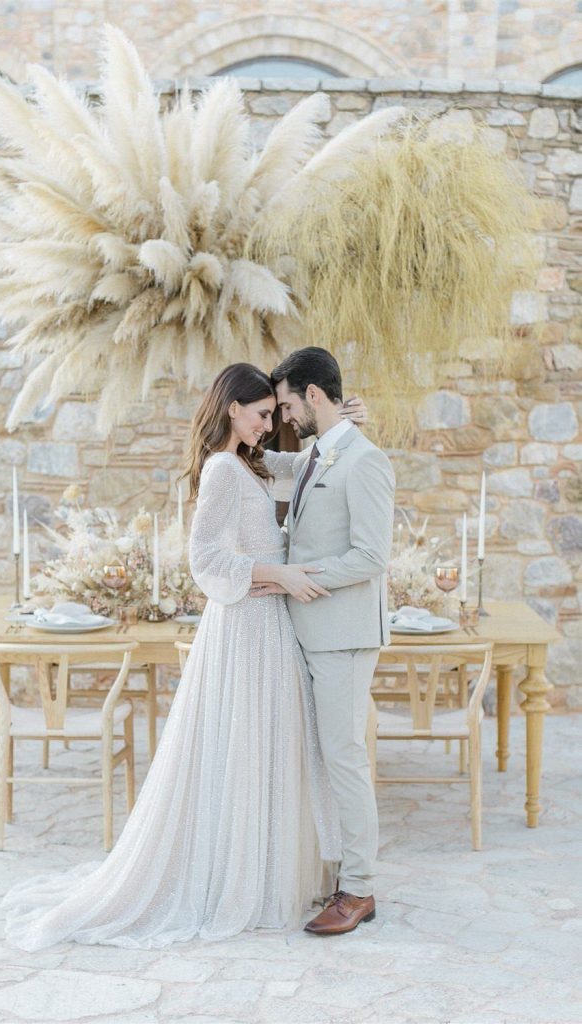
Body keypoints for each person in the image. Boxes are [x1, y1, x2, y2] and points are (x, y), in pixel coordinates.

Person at [2, 362, 367, 950]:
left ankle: (260, 872)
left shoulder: (248, 464)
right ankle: (232, 879)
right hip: (246, 627)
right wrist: (281, 573)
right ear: (233, 408)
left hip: (265, 627)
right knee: (243, 747)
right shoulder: (224, 469)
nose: (272, 425)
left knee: (263, 747)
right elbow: (205, 561)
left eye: (276, 414)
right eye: (263, 414)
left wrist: (340, 427)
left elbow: (305, 468)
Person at [254, 347, 395, 936]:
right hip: (310, 629)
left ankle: (359, 889)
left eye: (286, 405)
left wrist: (301, 580)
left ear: (313, 397)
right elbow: (279, 467)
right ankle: (331, 871)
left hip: (342, 633)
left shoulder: (364, 461)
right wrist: (230, 433)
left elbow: (371, 556)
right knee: (324, 757)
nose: (283, 418)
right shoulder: (317, 452)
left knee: (344, 758)